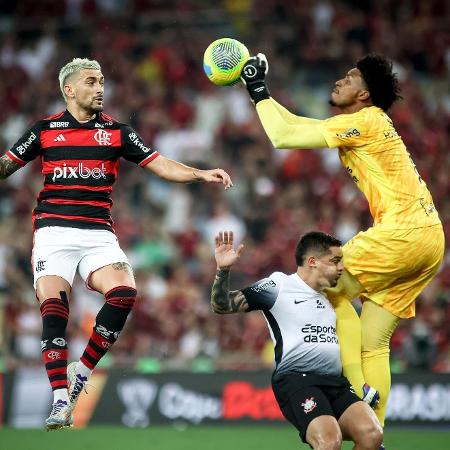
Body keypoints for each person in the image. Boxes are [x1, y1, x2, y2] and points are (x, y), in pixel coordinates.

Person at [0, 57, 233, 431]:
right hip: (53, 232)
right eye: (91, 82)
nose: (100, 88)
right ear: (69, 89)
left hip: (97, 233)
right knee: (55, 309)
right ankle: (60, 399)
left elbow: (159, 164)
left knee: (124, 293)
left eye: (103, 82)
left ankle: (83, 371)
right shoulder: (44, 130)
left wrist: (199, 173)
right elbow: (6, 166)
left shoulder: (117, 132)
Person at [239, 52, 445, 426]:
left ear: (364, 95)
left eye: (350, 78)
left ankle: (355, 391)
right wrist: (262, 92)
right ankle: (374, 432)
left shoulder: (366, 121)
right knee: (374, 342)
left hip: (401, 231)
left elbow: (283, 136)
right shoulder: (365, 123)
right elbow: (299, 125)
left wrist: (255, 89)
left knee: (329, 288)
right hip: (430, 240)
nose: (339, 81)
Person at [210, 230, 383, 450]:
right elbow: (222, 305)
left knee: (372, 435)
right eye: (335, 261)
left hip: (335, 382)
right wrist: (223, 270)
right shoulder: (278, 286)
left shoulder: (330, 297)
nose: (341, 268)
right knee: (330, 442)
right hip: (298, 380)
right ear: (312, 261)